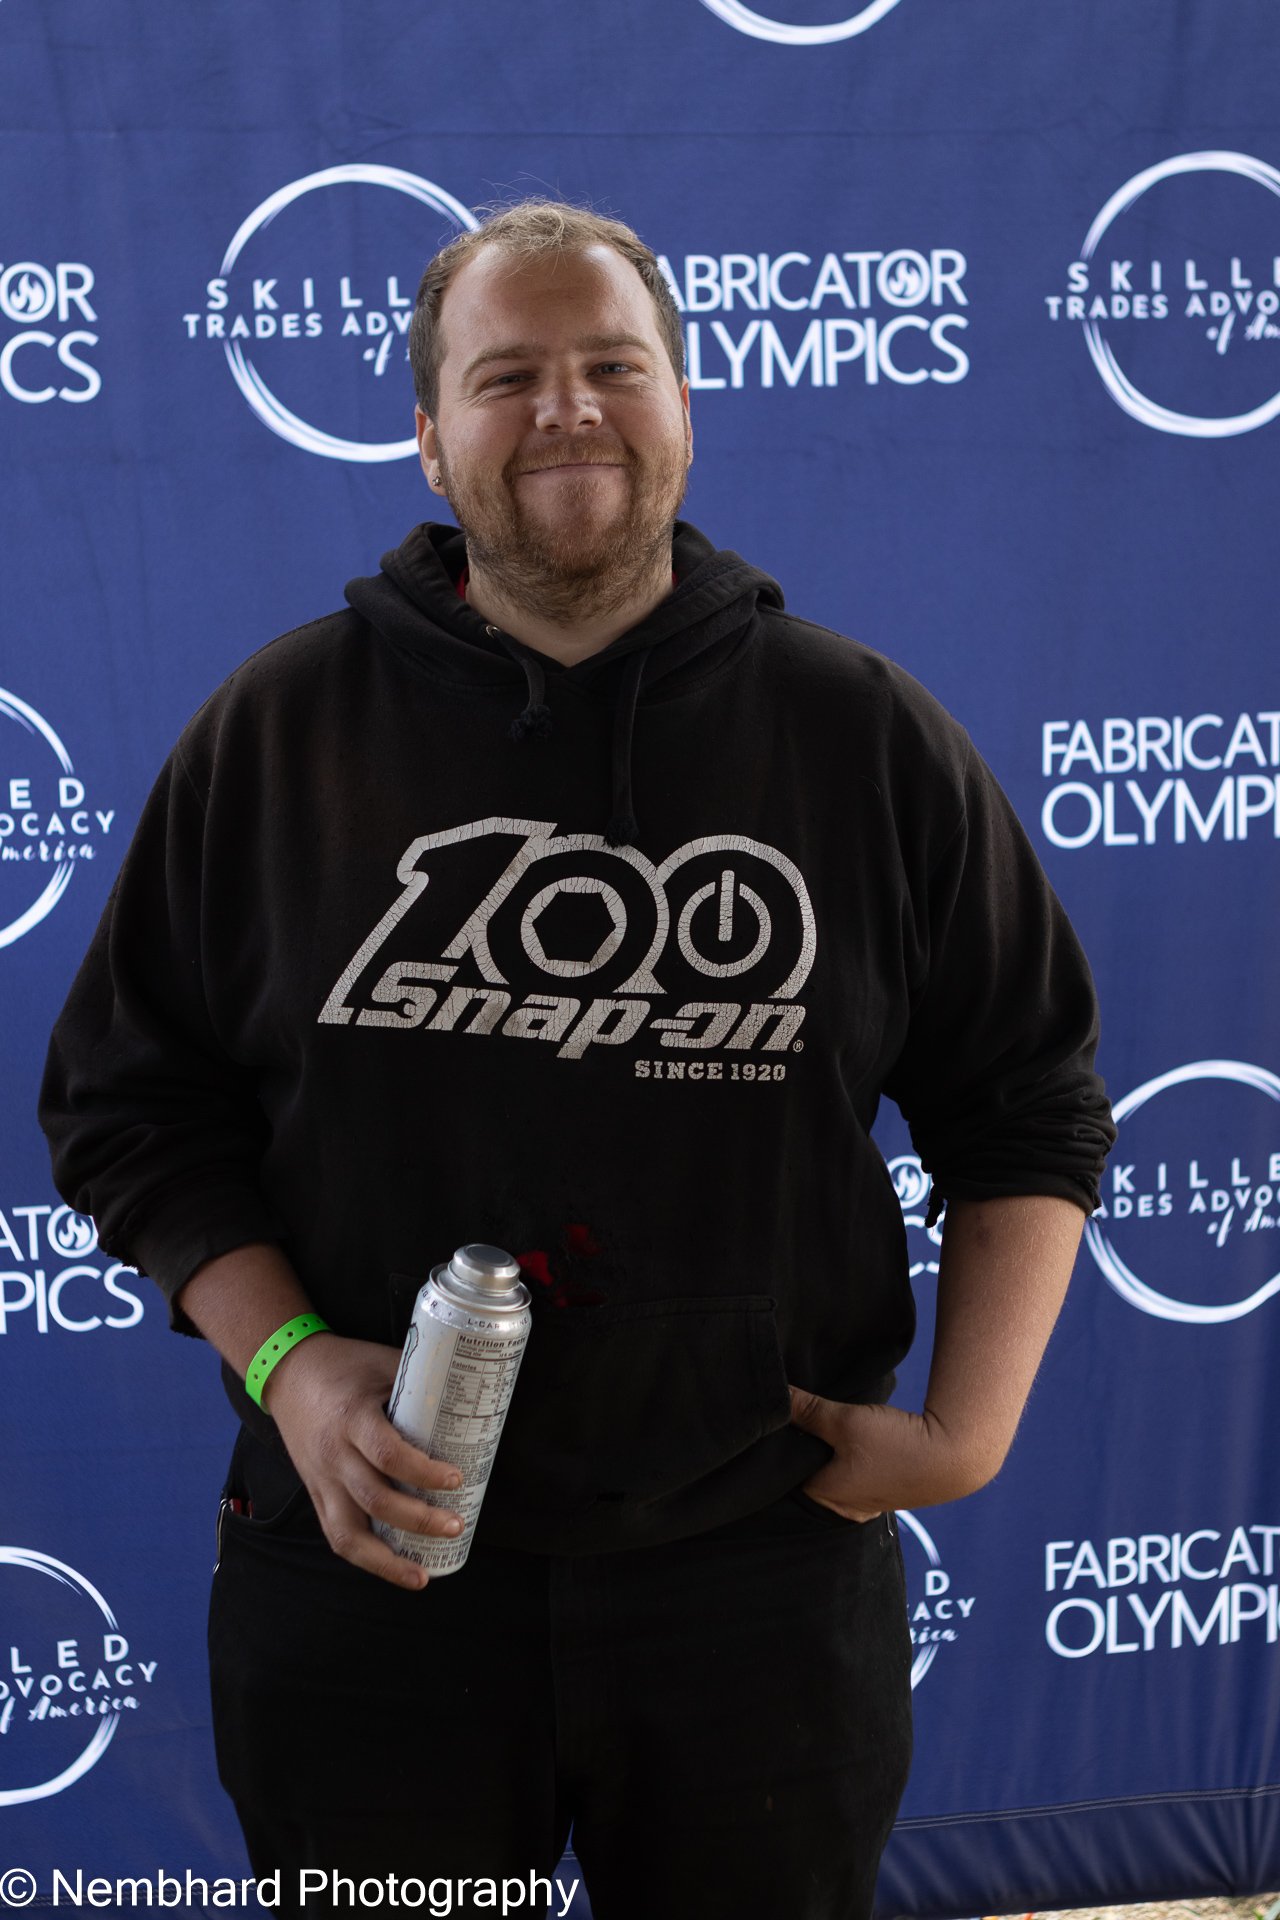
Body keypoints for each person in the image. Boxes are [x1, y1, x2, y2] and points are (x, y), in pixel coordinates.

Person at [40, 200, 1114, 1920]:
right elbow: (127, 1106)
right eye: (507, 376)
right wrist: (295, 1367)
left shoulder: (859, 734)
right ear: (427, 433)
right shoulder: (281, 730)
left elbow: (1030, 1097)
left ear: (685, 405)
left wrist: (969, 1434)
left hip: (756, 1590)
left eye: (615, 365)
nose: (567, 409)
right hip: (366, 1582)